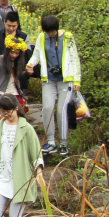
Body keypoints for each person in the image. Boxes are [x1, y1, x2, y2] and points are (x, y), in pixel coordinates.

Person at [26, 15, 81, 159]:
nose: (51, 34)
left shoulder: (68, 37)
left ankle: (63, 143)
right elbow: (36, 54)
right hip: (49, 79)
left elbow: (75, 58)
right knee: (47, 108)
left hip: (66, 79)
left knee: (61, 110)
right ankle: (51, 142)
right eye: (48, 31)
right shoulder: (42, 38)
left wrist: (77, 80)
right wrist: (31, 64)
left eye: (53, 31)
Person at [0, 11, 30, 88]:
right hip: (0, 73)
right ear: (4, 22)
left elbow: (28, 57)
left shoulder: (23, 37)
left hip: (17, 74)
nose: (11, 28)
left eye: (14, 26)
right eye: (8, 25)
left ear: (18, 24)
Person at [0, 35, 28, 99]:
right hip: (1, 95)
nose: (14, 55)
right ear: (7, 51)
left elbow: (19, 75)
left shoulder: (18, 62)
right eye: (12, 52)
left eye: (17, 53)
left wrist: (27, 72)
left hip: (15, 94)